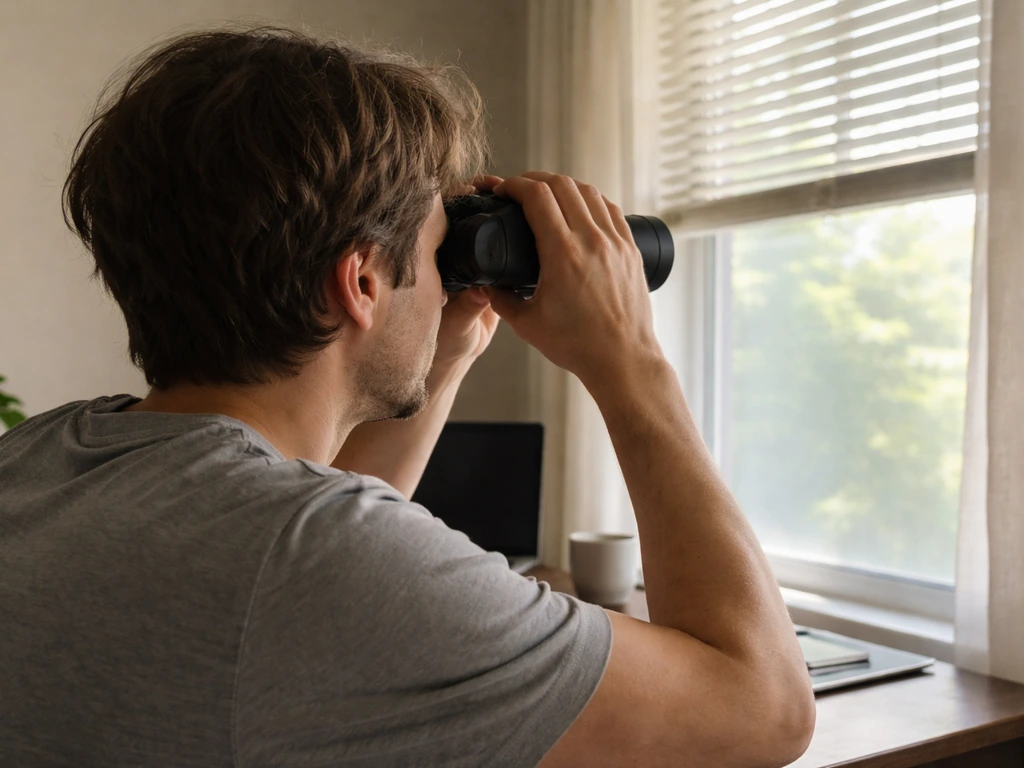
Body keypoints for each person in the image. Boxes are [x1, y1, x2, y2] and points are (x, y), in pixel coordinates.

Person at [0, 27, 814, 768]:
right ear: (360, 282)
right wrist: (631, 360)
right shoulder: (313, 560)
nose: (441, 279)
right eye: (435, 250)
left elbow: (301, 546)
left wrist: (445, 351)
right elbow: (764, 711)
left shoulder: (38, 459)